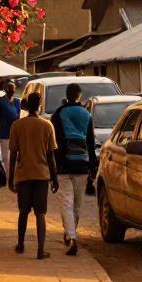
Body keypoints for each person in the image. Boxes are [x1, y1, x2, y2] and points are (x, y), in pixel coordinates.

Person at [8, 91, 59, 259]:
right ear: (40, 106)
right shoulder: (47, 126)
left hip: (23, 175)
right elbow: (51, 155)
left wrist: (10, 177)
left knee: (23, 211)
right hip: (42, 175)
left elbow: (13, 155)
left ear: (26, 106)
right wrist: (55, 178)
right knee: (40, 213)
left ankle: (21, 244)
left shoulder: (17, 125)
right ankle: (40, 249)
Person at [51, 84, 97, 255]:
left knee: (66, 204)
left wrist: (54, 167)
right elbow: (91, 143)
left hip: (63, 166)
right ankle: (71, 234)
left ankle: (72, 236)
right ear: (80, 96)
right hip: (82, 165)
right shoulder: (87, 115)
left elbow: (53, 143)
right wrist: (92, 167)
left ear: (67, 95)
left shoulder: (59, 114)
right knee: (76, 205)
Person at [0, 80, 21, 177]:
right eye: (9, 91)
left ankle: (16, 175)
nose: (11, 93)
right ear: (5, 90)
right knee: (5, 156)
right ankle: (9, 175)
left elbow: (19, 115)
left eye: (13, 91)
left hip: (16, 132)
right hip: (4, 132)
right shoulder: (0, 101)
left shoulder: (17, 101)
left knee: (17, 155)